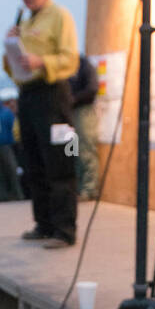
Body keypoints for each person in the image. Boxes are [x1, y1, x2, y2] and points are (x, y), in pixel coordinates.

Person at [4, 0, 78, 247]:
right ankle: (44, 223)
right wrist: (11, 47)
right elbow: (13, 70)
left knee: (59, 162)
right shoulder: (24, 22)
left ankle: (64, 230)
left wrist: (41, 62)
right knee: (34, 163)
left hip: (53, 95)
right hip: (29, 97)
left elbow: (71, 59)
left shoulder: (60, 16)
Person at [69, 53, 100, 200]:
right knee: (71, 152)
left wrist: (73, 98)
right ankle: (76, 188)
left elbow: (92, 89)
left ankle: (89, 189)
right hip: (68, 113)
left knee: (85, 149)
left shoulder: (84, 64)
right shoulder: (64, 68)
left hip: (83, 111)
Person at [0, 91, 23, 201]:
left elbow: (13, 128)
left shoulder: (6, 113)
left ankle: (18, 195)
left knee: (12, 170)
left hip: (7, 146)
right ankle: (2, 197)